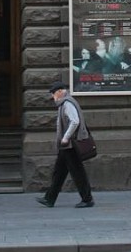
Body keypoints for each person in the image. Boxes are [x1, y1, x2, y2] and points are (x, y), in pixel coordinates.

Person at [36, 81, 94, 209]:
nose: (53, 96)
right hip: (66, 146)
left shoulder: (67, 103)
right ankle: (49, 198)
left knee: (77, 172)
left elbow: (75, 121)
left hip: (70, 145)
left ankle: (87, 199)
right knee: (59, 172)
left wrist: (65, 137)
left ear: (60, 92)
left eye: (54, 93)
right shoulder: (64, 103)